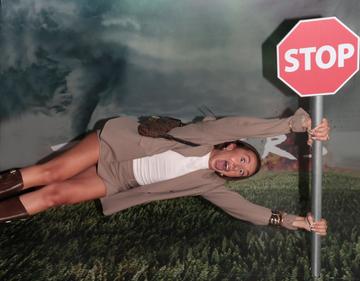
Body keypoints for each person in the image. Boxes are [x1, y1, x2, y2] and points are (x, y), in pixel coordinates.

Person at [0, 108, 328, 234]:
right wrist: (293, 125)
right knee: (50, 174)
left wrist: (291, 221)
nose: (237, 167)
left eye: (241, 173)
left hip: (118, 180)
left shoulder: (207, 183)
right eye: (242, 159)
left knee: (56, 196)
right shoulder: (207, 136)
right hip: (118, 145)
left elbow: (245, 209)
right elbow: (241, 123)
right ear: (230, 146)